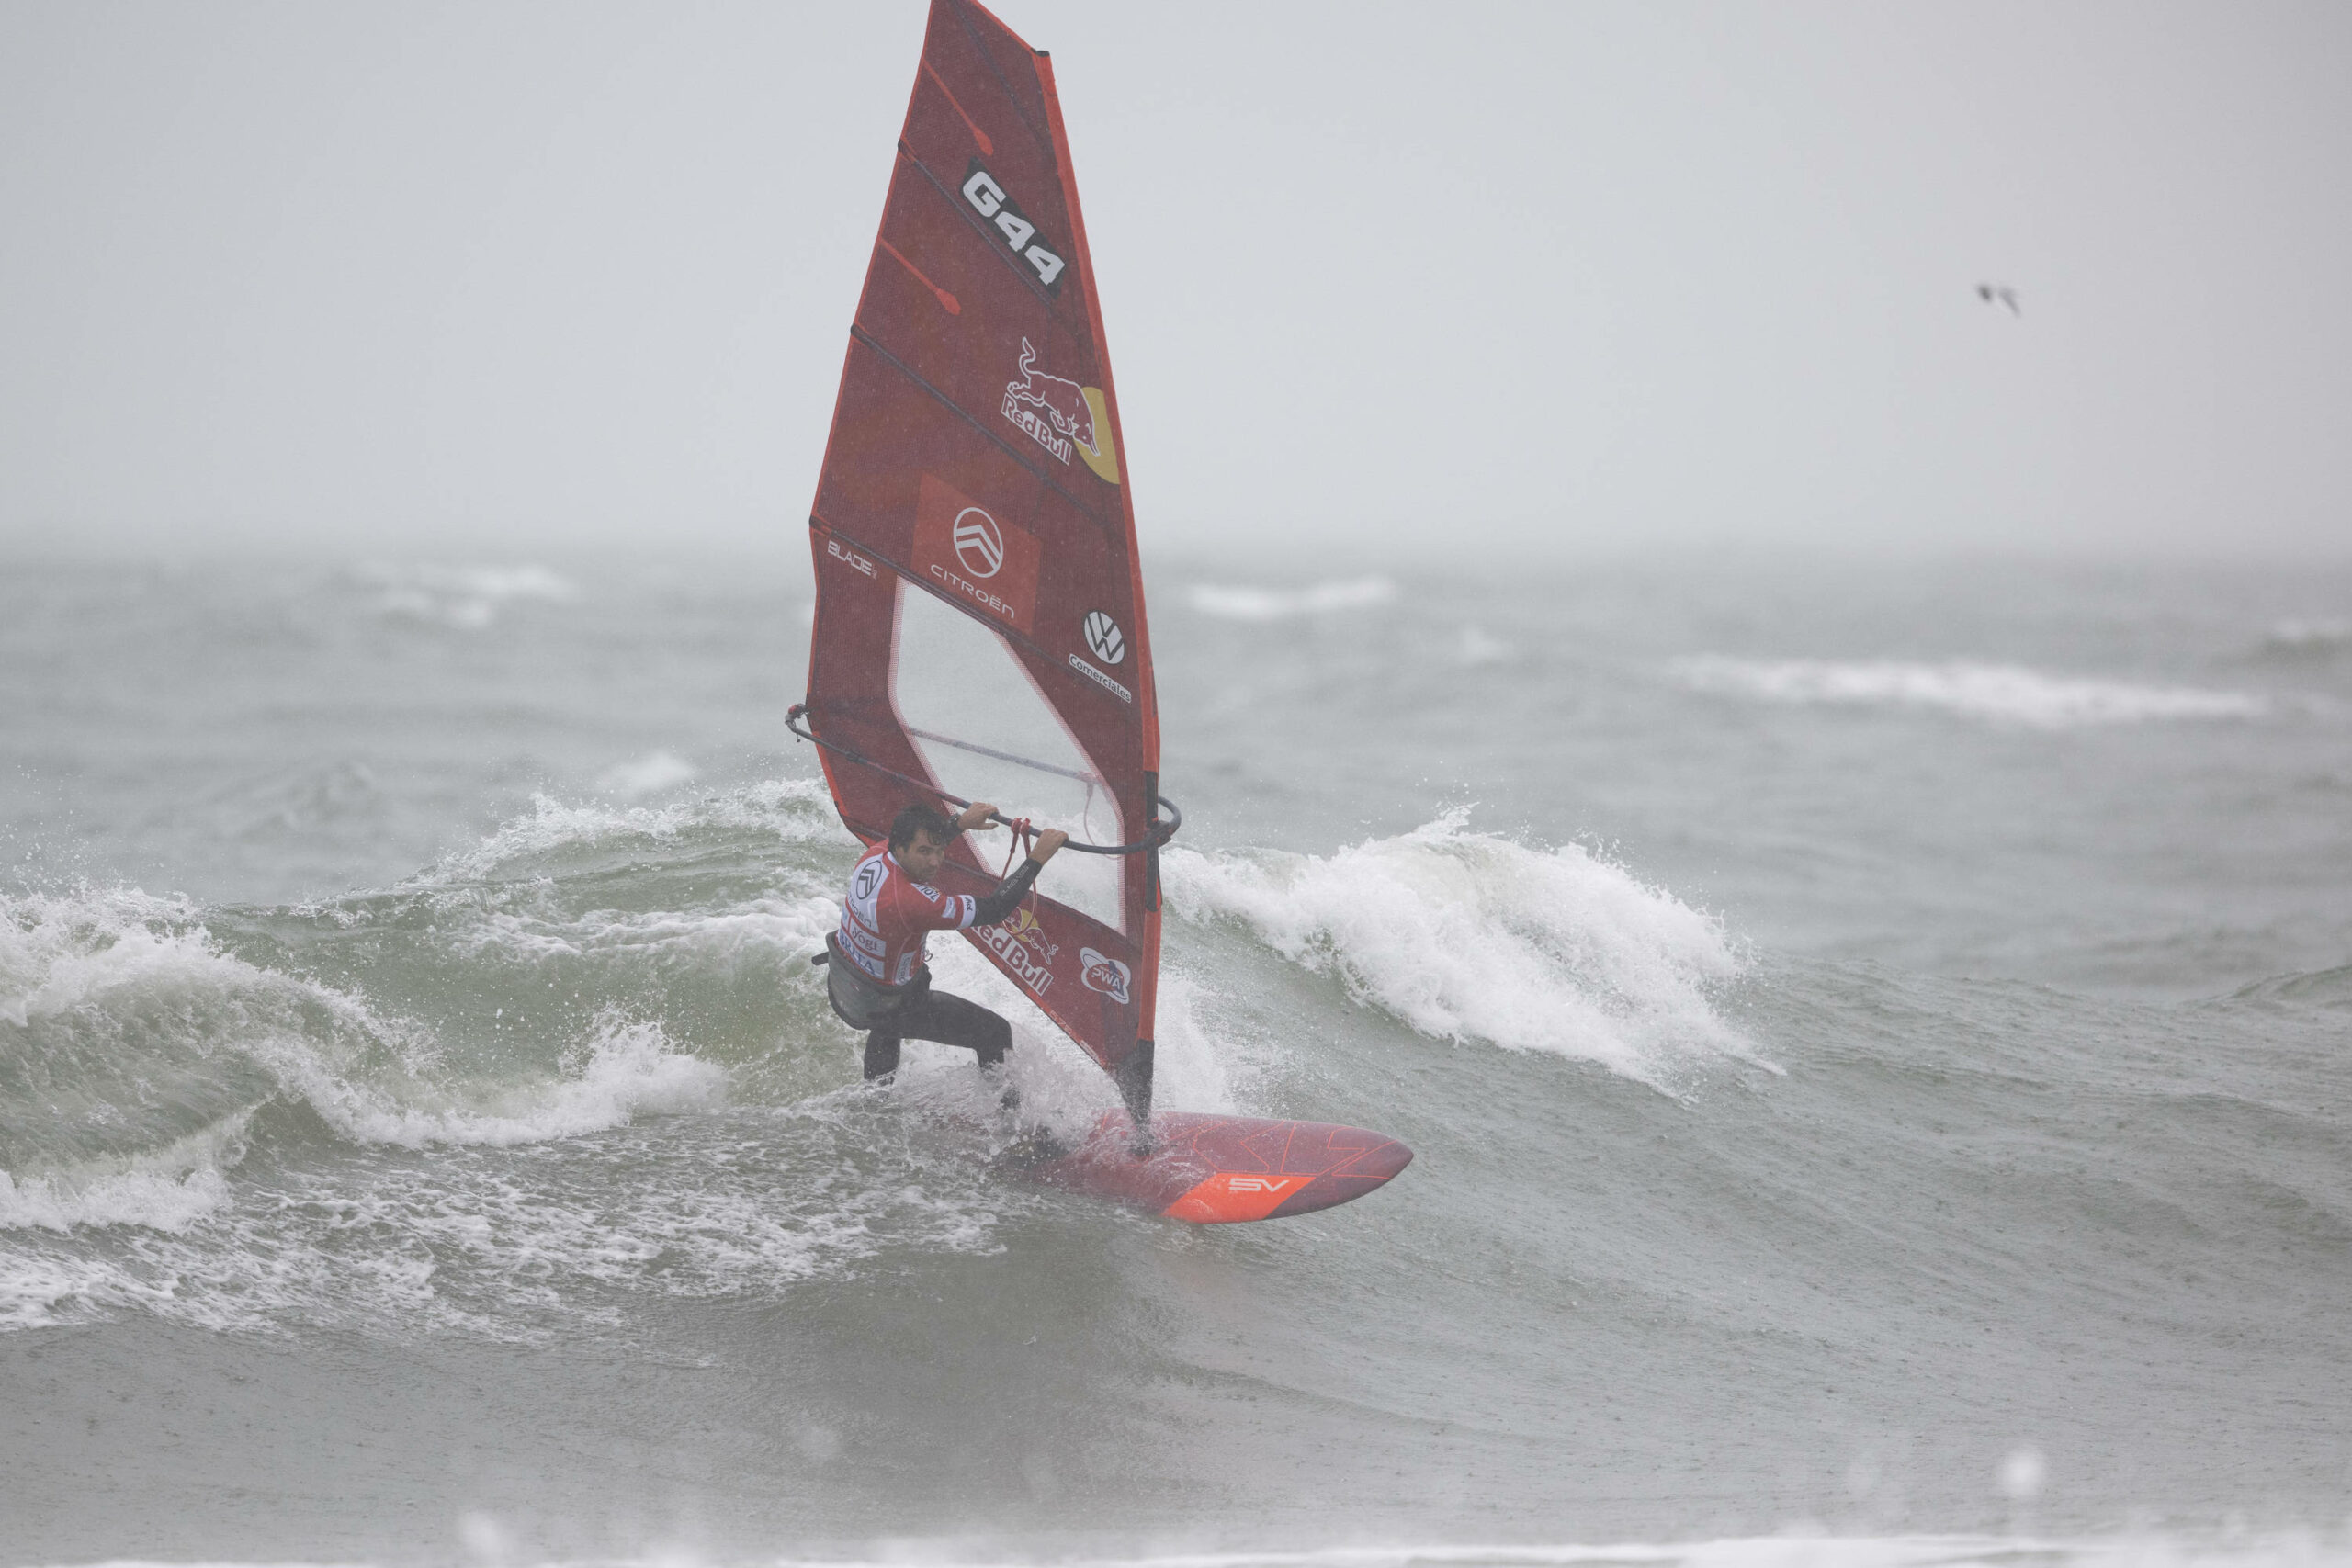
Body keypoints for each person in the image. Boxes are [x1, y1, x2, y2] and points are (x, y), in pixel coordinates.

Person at [822, 798, 1068, 1094]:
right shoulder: (911, 901)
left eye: (939, 851)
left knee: (886, 1025)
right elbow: (995, 909)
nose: (935, 862)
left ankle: (876, 1100)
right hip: (892, 1004)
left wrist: (960, 823)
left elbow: (922, 844)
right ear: (899, 848)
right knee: (994, 1032)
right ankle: (1010, 1125)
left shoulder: (874, 856)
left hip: (854, 986)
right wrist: (1037, 858)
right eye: (925, 852)